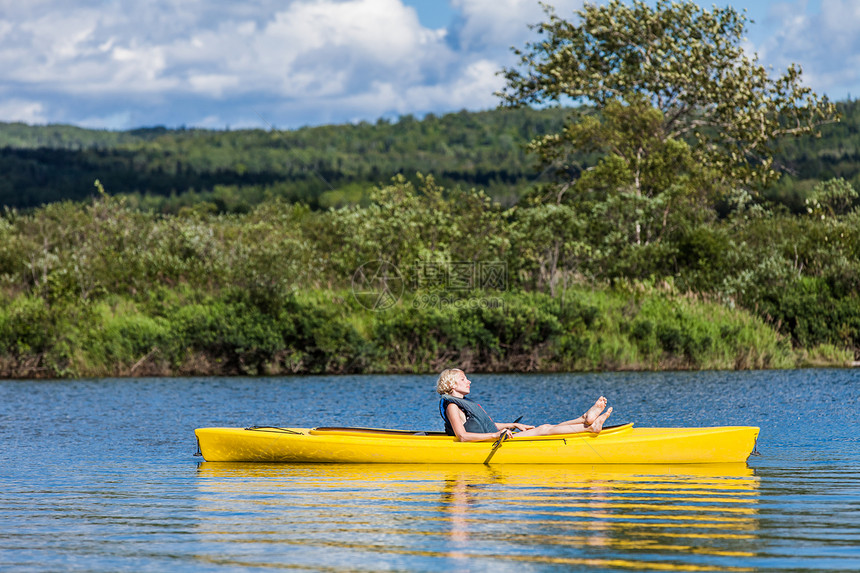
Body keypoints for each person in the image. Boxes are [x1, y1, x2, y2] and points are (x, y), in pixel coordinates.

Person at [436, 368, 613, 442]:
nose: (469, 381)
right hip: (487, 443)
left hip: (494, 438)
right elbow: (463, 436)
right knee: (544, 429)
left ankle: (584, 419)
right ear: (452, 385)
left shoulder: (464, 404)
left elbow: (482, 426)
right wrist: (495, 436)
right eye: (463, 379)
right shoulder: (453, 406)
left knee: (545, 427)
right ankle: (589, 429)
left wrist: (512, 425)